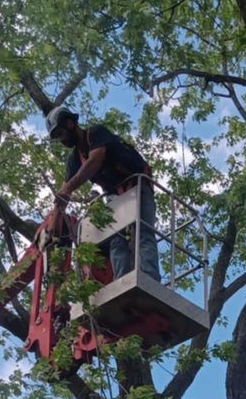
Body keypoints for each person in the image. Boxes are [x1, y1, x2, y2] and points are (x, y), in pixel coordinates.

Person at [46, 105, 161, 282]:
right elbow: (63, 192)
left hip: (138, 185)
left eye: (60, 134)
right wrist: (53, 223)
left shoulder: (96, 133)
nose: (61, 140)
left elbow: (94, 162)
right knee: (115, 237)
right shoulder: (75, 159)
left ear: (70, 124)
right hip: (115, 197)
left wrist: (68, 189)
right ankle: (121, 281)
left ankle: (150, 279)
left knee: (143, 231)